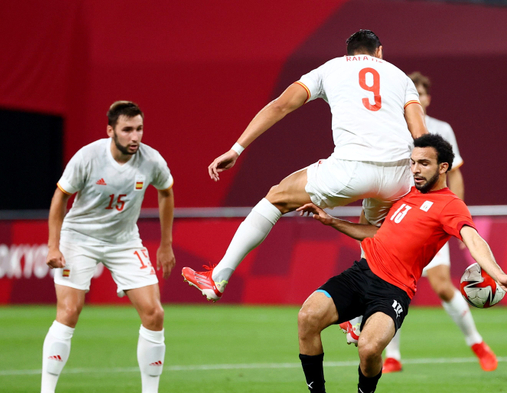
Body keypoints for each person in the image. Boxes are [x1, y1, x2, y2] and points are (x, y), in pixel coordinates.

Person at [295, 133, 507, 393]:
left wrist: (496, 272)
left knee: (369, 347)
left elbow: (472, 238)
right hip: (362, 273)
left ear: (443, 168)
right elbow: (374, 234)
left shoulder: (450, 206)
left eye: (424, 163)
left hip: (394, 290)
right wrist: (331, 220)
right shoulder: (405, 193)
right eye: (413, 162)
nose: (415, 169)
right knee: (307, 317)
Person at [182, 29, 427, 300]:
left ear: (347, 54)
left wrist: (236, 148)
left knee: (276, 197)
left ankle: (217, 278)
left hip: (351, 169)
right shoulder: (401, 77)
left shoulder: (330, 68)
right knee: (371, 231)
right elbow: (420, 134)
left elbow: (280, 106)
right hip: (399, 173)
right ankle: (358, 321)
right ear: (379, 52)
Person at [36, 101, 185, 393]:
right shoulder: (88, 158)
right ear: (111, 131)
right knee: (69, 311)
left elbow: (166, 192)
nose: (135, 137)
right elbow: (60, 197)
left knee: (154, 313)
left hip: (123, 240)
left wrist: (166, 244)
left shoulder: (151, 160)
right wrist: (53, 245)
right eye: (127, 130)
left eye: (139, 129)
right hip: (79, 238)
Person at [344, 72, 498, 374]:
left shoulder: (441, 130)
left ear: (428, 98)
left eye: (423, 93)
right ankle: (393, 356)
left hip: (434, 218)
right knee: (387, 284)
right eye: (414, 94)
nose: (419, 99)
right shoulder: (392, 128)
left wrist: (456, 215)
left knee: (441, 285)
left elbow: (455, 174)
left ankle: (477, 342)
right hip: (399, 218)